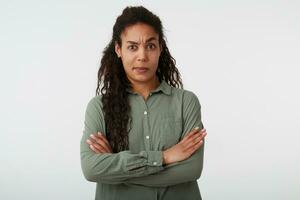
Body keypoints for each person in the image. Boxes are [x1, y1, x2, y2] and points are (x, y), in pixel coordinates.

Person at [80, 6, 207, 200]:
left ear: (160, 49)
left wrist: (117, 171)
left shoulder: (186, 102)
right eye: (132, 47)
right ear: (118, 49)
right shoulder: (99, 107)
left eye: (150, 46)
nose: (142, 56)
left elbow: (191, 169)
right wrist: (164, 157)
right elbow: (91, 169)